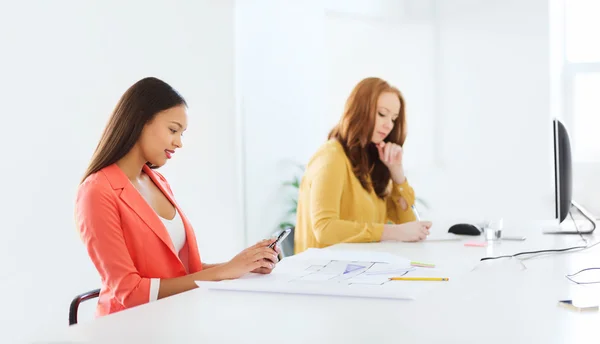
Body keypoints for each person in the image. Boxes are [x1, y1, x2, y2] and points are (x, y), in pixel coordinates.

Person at [75, 77, 279, 317]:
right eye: (173, 130)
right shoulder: (97, 191)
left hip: (175, 318)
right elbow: (129, 291)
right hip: (130, 328)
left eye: (182, 133)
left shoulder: (157, 182)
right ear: (140, 121)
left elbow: (181, 273)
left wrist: (243, 266)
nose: (179, 143)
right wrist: (226, 271)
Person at [294, 77, 432, 254]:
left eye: (394, 119)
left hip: (359, 269)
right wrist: (390, 232)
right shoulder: (331, 156)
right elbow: (324, 228)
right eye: (382, 114)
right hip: (323, 273)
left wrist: (397, 173)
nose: (389, 125)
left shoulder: (371, 161)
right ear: (360, 110)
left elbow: (410, 225)